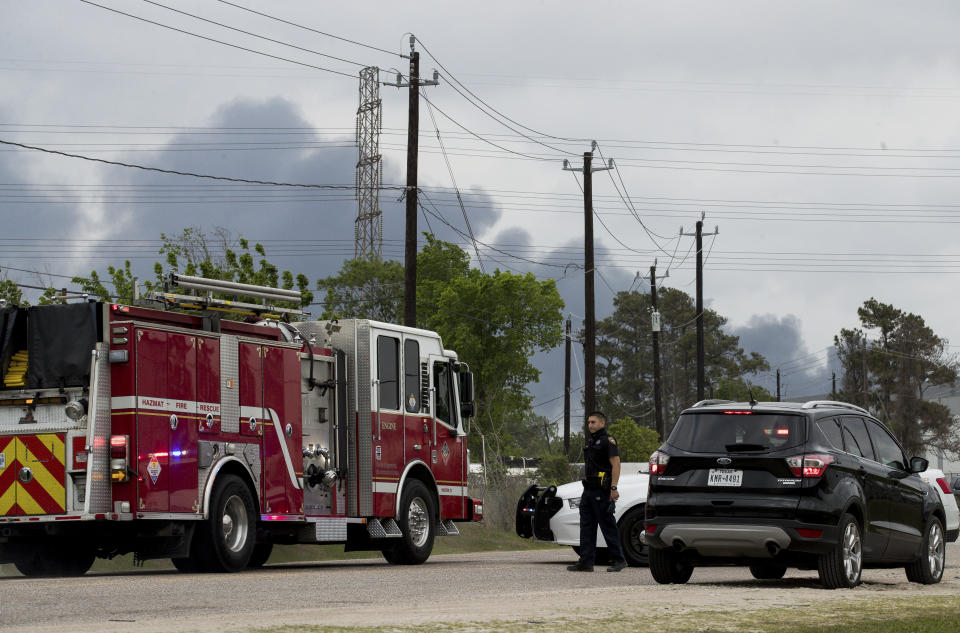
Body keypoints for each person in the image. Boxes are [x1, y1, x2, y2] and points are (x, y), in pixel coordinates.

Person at [567, 411, 628, 572]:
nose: (590, 425)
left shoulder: (608, 441)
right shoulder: (591, 442)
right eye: (588, 422)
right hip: (588, 490)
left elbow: (616, 464)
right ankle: (586, 561)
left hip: (602, 490)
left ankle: (619, 560)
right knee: (586, 526)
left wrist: (613, 487)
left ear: (602, 423)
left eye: (593, 422)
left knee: (607, 525)